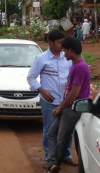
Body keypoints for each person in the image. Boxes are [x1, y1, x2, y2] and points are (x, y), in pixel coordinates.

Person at [27, 30, 74, 164]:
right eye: (59, 42)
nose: (62, 45)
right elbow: (31, 77)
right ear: (50, 43)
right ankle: (50, 157)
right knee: (50, 130)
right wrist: (41, 90)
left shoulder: (67, 57)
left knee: (68, 129)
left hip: (66, 101)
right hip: (50, 101)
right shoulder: (41, 58)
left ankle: (66, 155)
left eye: (63, 42)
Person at [45, 37, 91, 173]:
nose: (63, 53)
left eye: (65, 50)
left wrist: (60, 107)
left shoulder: (80, 67)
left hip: (73, 108)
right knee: (52, 133)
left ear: (71, 51)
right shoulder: (75, 65)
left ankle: (54, 165)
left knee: (61, 138)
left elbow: (74, 93)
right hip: (68, 107)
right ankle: (53, 163)